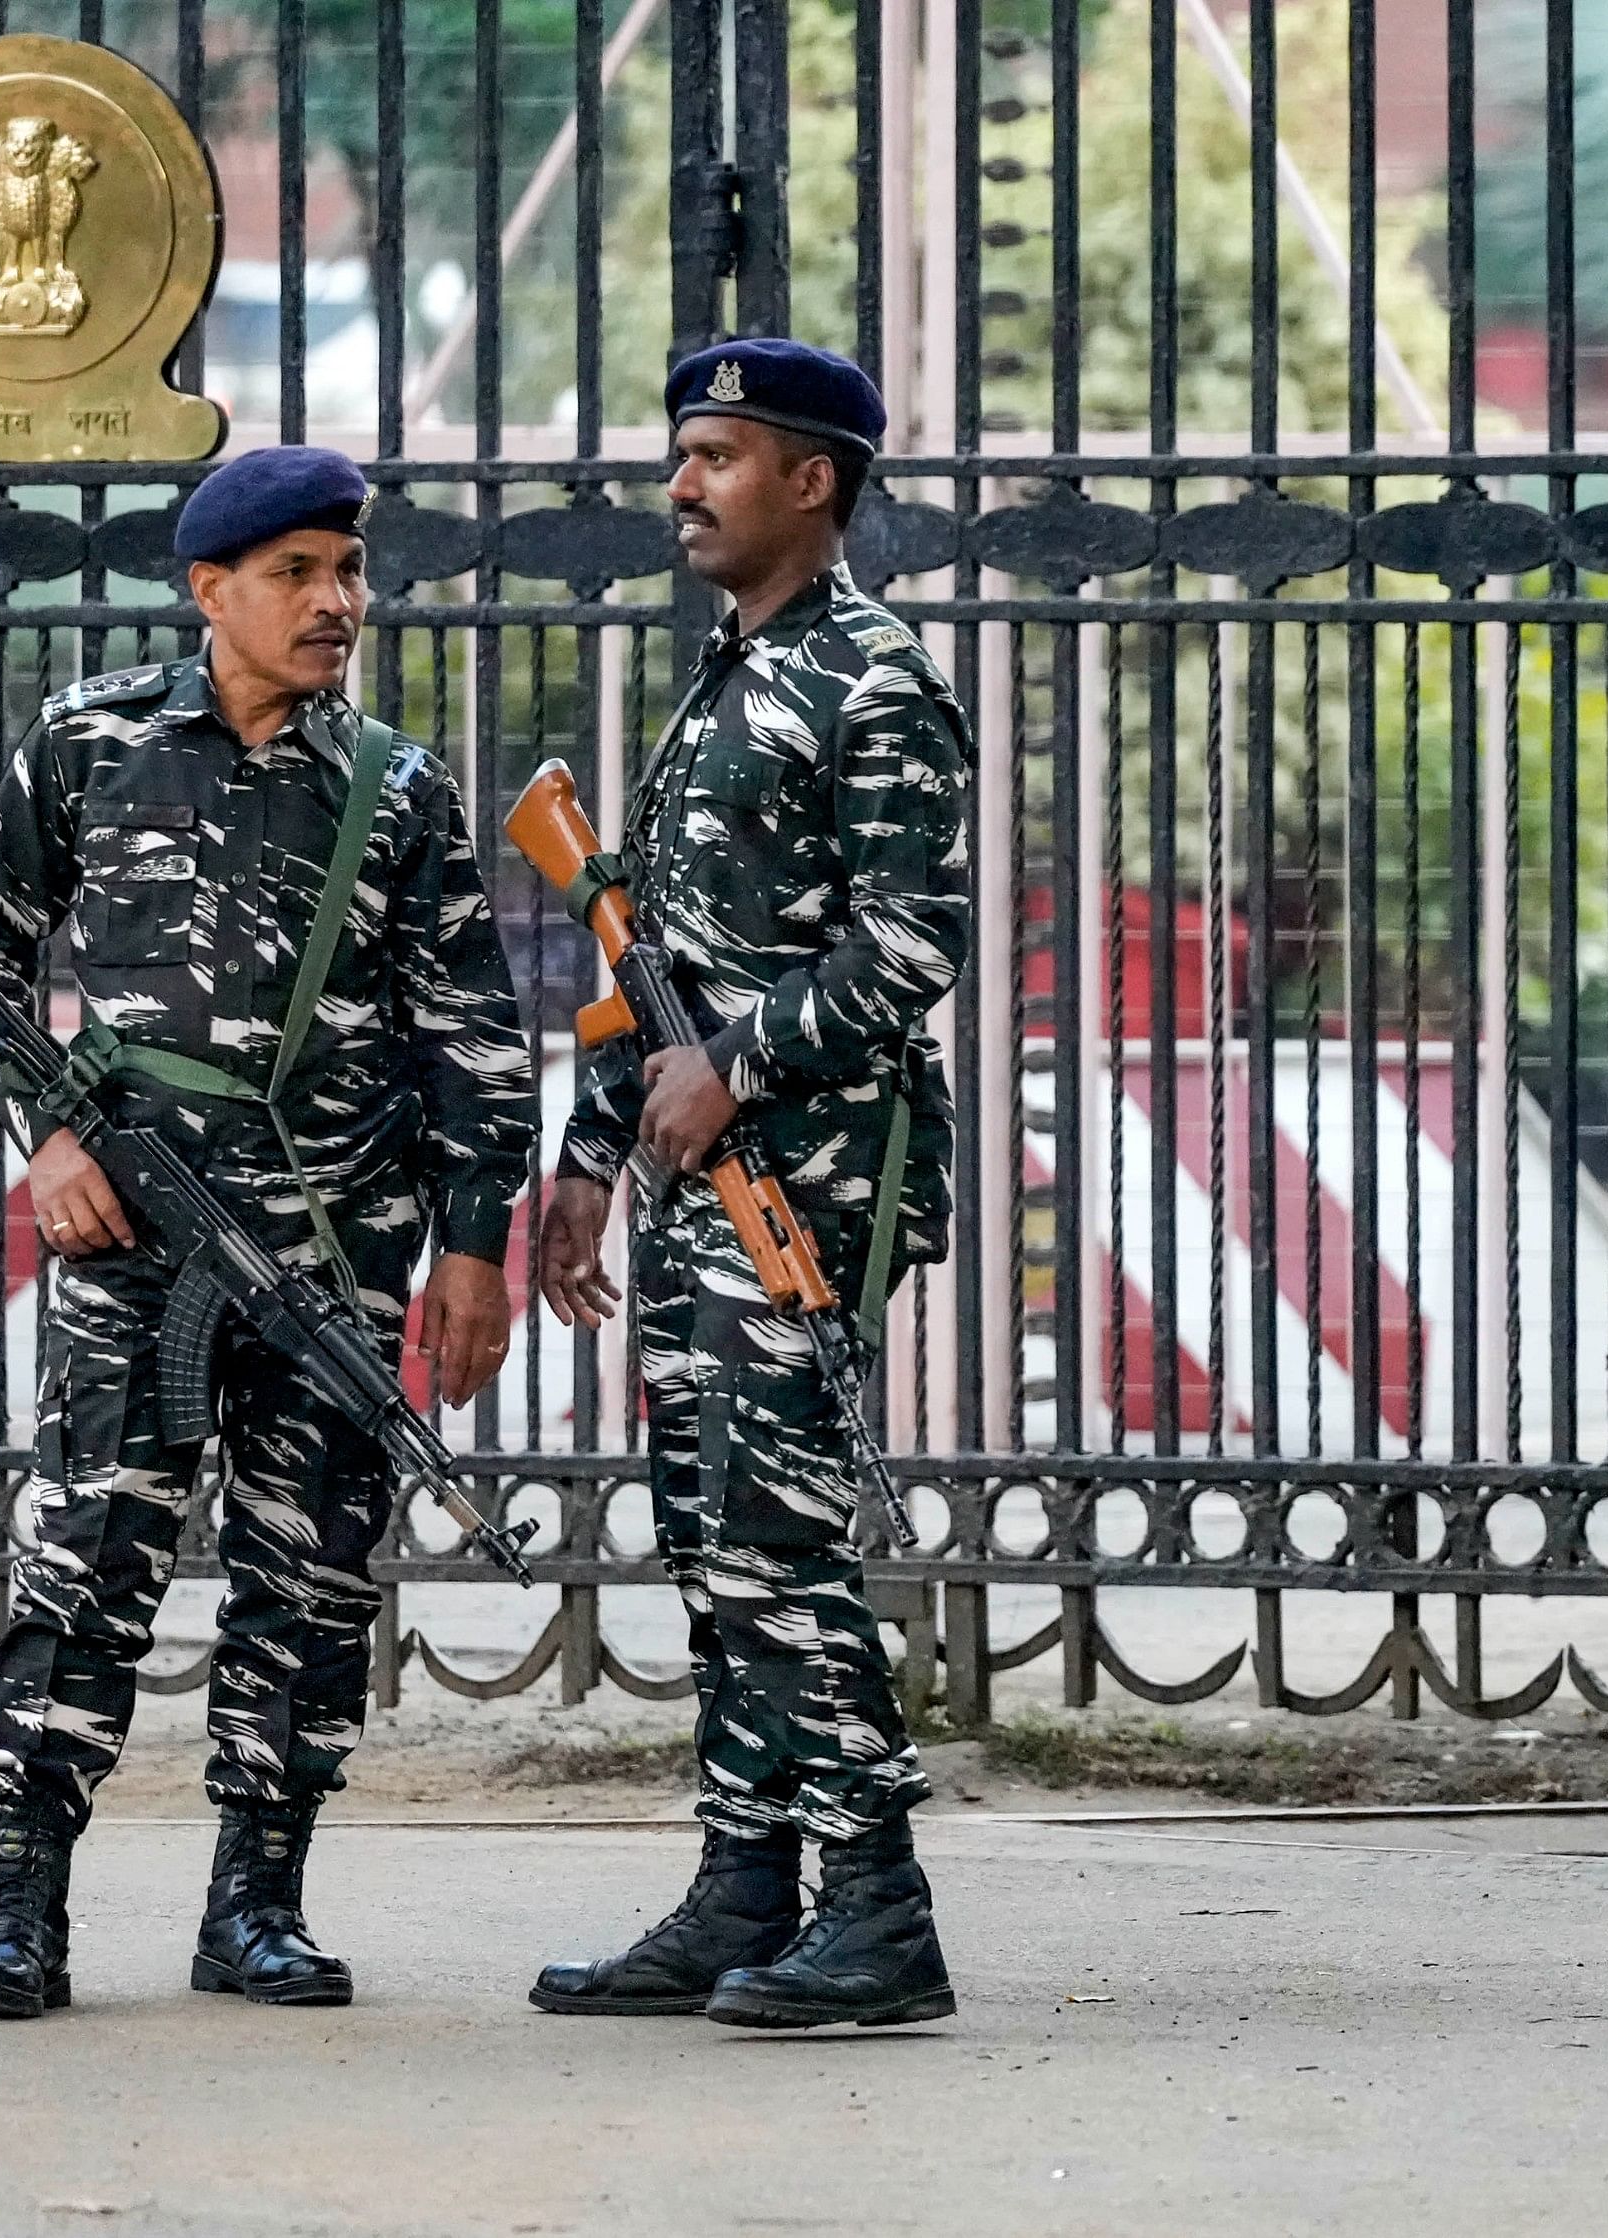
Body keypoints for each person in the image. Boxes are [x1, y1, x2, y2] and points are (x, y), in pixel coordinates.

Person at [0, 445, 537, 2019]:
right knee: (85, 1566)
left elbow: (470, 1034)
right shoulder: (90, 744)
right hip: (134, 1249)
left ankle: (257, 1904)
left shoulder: (394, 789)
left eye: (348, 570)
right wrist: (49, 1135)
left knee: (312, 1581)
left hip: (334, 1257)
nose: (336, 601)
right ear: (212, 590)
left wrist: (475, 1247)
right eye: (298, 574)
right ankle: (18, 1909)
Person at [527, 337, 969, 2030]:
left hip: (810, 1180)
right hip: (691, 1182)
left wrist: (747, 1062)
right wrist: (583, 1164)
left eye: (718, 455)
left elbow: (913, 941)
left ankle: (878, 1905)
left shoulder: (873, 681)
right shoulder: (724, 675)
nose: (682, 484)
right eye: (681, 454)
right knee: (709, 1538)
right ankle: (744, 1886)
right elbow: (649, 962)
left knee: (780, 1543)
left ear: (814, 480)